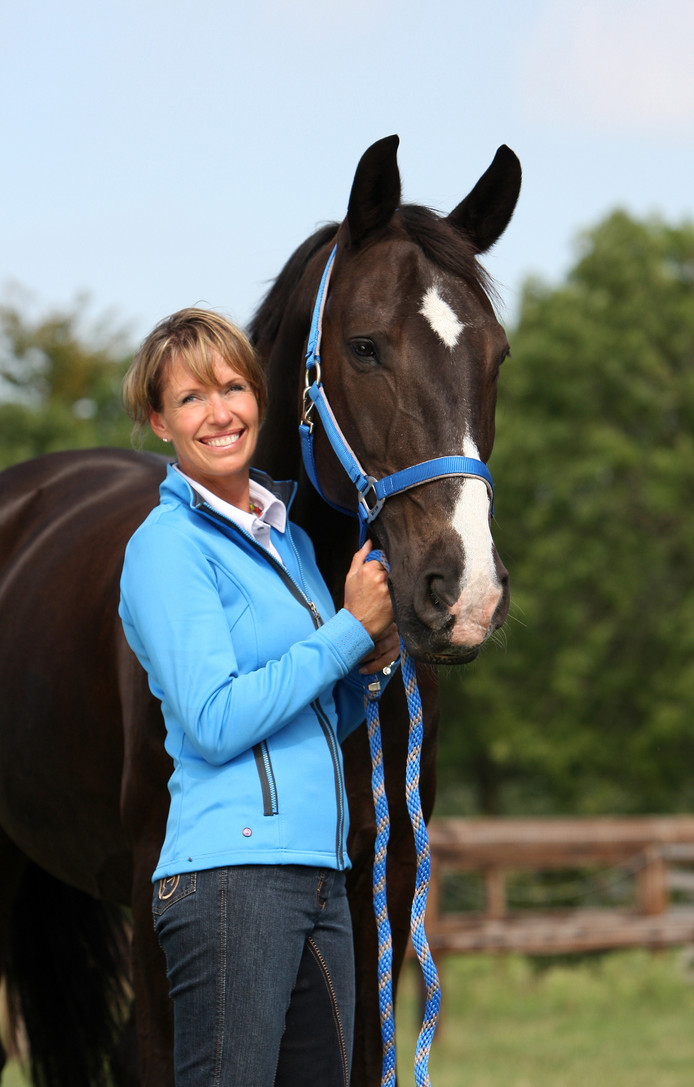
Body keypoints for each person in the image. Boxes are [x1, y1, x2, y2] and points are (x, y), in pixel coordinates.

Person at [118, 307, 399, 1087]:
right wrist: (346, 632)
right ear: (159, 419)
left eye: (234, 387)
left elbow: (311, 715)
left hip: (319, 869)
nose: (219, 413)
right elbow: (214, 719)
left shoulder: (290, 541)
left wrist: (369, 664)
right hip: (230, 877)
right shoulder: (166, 548)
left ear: (260, 398)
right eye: (190, 399)